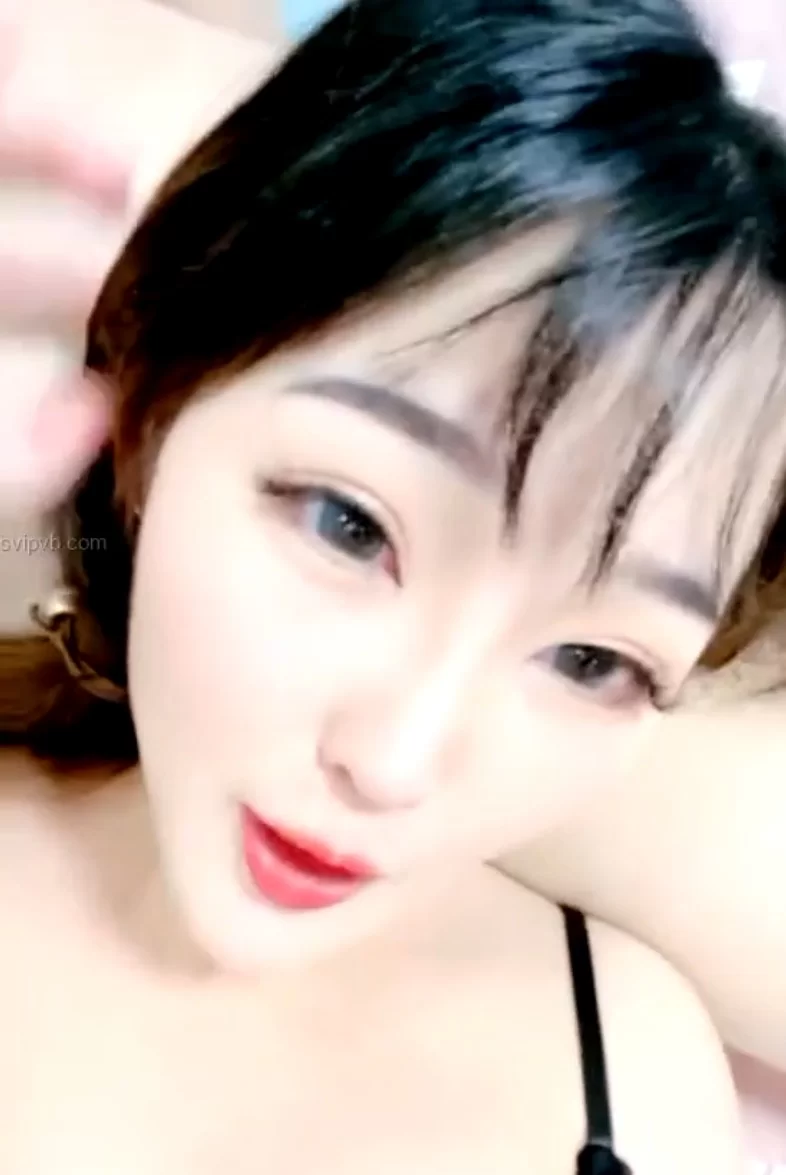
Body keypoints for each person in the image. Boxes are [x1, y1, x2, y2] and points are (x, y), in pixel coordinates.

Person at [8, 0, 786, 1169]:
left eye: (593, 661)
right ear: (151, 399)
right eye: (350, 524)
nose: (394, 763)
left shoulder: (630, 1083)